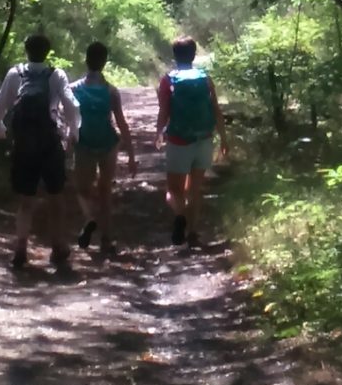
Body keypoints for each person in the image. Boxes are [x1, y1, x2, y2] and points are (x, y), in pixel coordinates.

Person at [0, 34, 81, 269]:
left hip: (24, 144)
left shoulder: (15, 74)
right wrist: (73, 132)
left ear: (26, 50)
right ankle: (58, 246)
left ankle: (21, 248)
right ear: (47, 52)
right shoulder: (56, 75)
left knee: (25, 200)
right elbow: (71, 105)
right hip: (50, 143)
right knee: (56, 197)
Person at [155, 35, 229, 248]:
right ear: (194, 55)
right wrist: (223, 138)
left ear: (174, 55)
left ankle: (180, 215)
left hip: (179, 140)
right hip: (204, 139)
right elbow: (216, 110)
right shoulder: (205, 79)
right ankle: (193, 233)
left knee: (173, 190)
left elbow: (164, 111)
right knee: (195, 189)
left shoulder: (168, 80)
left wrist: (159, 133)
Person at [71, 41, 137, 256]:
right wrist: (131, 155)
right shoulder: (111, 91)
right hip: (108, 144)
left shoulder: (74, 90)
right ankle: (107, 240)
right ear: (104, 62)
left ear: (86, 60)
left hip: (84, 144)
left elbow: (68, 122)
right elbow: (121, 123)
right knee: (105, 192)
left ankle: (90, 218)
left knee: (82, 189)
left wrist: (66, 147)